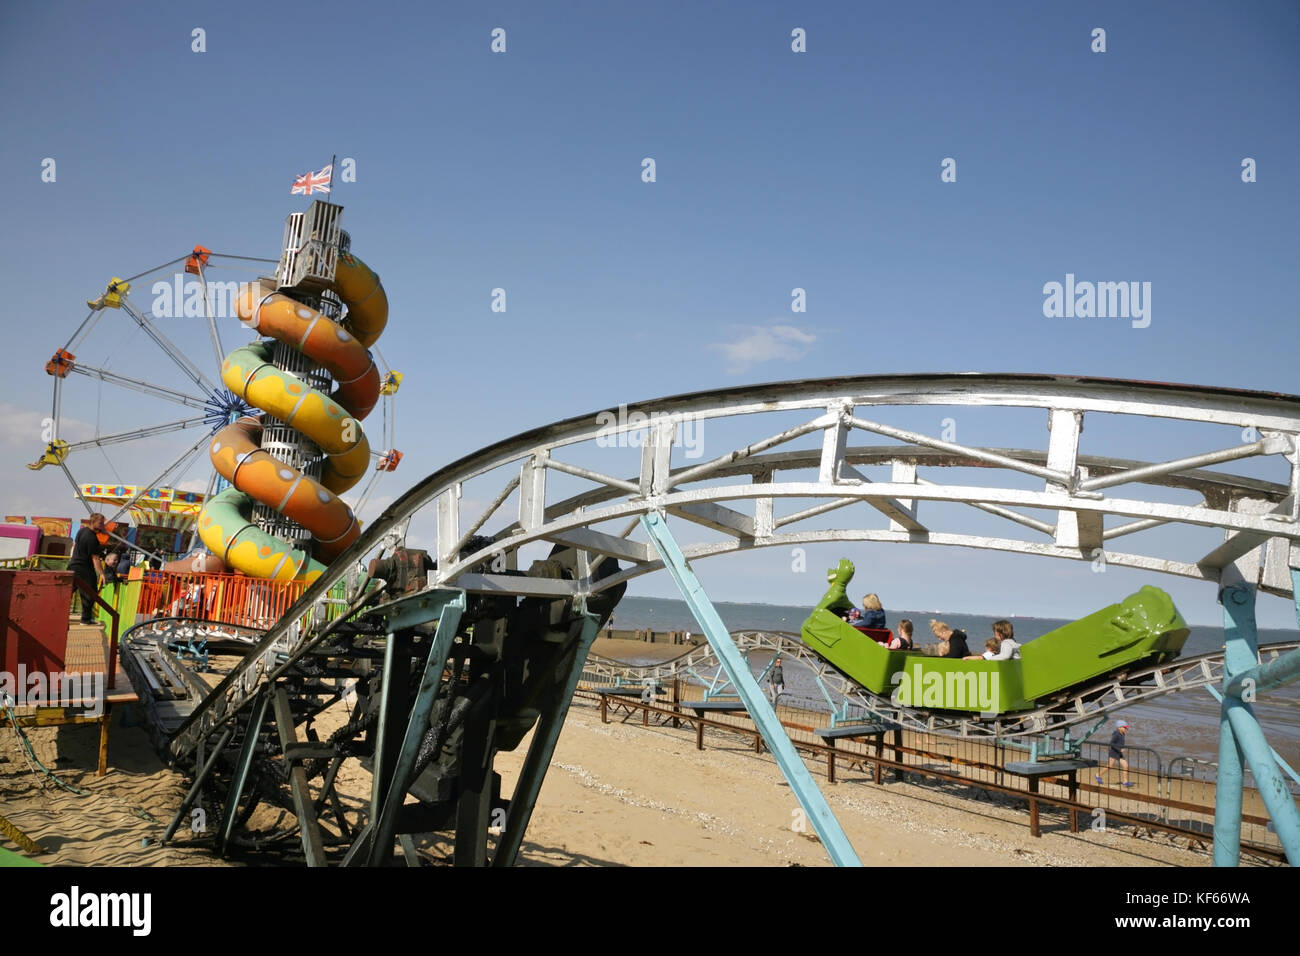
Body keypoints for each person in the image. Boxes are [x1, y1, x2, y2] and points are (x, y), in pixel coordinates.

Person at [68, 513, 108, 625]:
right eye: (100, 523)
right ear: (93, 522)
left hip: (73, 565)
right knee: (90, 592)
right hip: (84, 568)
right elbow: (95, 558)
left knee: (67, 592)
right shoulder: (92, 538)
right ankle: (85, 619)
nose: (102, 526)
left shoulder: (82, 531)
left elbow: (75, 546)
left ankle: (58, 614)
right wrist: (102, 574)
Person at [1097, 720, 1135, 787]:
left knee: (1125, 765)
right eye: (1125, 727)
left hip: (1119, 753)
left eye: (1126, 728)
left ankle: (1125, 782)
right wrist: (1119, 749)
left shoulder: (1123, 734)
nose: (1126, 729)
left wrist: (1121, 748)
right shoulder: (1116, 734)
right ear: (1119, 727)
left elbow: (1120, 743)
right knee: (1110, 766)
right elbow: (1111, 744)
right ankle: (1098, 775)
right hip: (1113, 753)